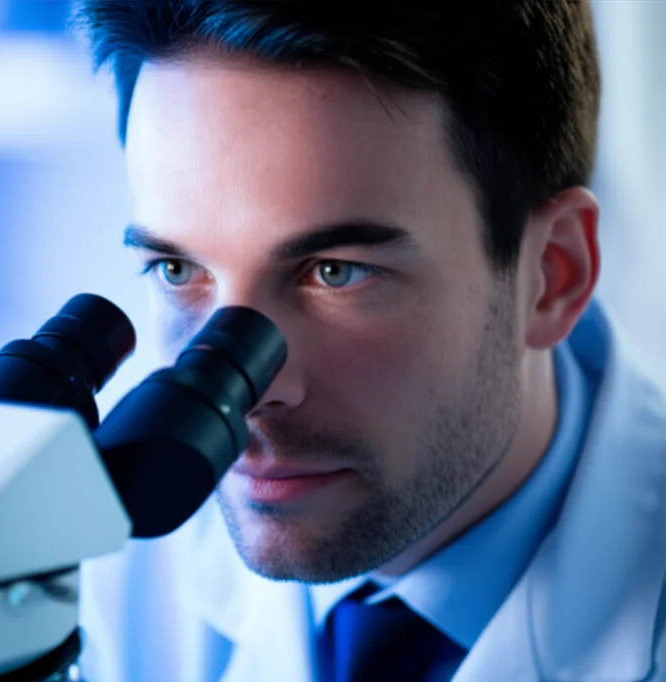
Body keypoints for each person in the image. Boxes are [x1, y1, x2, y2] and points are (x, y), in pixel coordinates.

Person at [73, 2, 666, 681]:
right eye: (178, 271)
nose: (244, 396)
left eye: (336, 273)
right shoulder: (109, 580)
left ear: (553, 275)